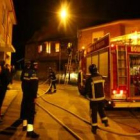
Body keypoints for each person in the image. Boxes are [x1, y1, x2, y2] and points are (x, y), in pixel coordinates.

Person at [84, 64, 109, 134]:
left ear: (90, 71)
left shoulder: (90, 78)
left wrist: (85, 94)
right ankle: (105, 122)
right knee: (101, 110)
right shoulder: (100, 76)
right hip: (102, 98)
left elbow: (87, 89)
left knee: (94, 113)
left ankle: (94, 128)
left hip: (94, 100)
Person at [20, 61, 39, 138]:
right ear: (33, 65)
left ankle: (24, 126)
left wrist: (25, 92)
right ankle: (30, 131)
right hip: (31, 96)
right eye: (35, 65)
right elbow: (34, 87)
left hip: (25, 95)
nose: (37, 66)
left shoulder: (25, 72)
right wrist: (34, 97)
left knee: (24, 110)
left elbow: (22, 84)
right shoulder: (33, 73)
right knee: (31, 113)